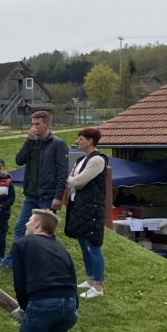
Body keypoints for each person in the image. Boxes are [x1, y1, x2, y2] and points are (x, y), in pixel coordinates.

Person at [1, 111, 69, 269]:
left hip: (47, 195)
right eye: (32, 124)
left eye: (37, 124)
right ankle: (13, 261)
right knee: (20, 227)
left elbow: (62, 173)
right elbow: (19, 160)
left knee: (44, 232)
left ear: (47, 125)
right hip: (31, 194)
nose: (34, 127)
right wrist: (28, 141)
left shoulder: (58, 144)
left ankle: (46, 262)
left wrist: (58, 196)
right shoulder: (33, 142)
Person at [65, 127, 109, 297]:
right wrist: (73, 182)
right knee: (83, 243)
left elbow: (79, 181)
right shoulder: (81, 160)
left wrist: (74, 182)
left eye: (81, 139)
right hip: (78, 205)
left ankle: (98, 286)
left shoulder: (97, 160)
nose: (78, 142)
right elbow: (73, 181)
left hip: (92, 207)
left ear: (90, 141)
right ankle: (90, 279)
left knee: (94, 247)